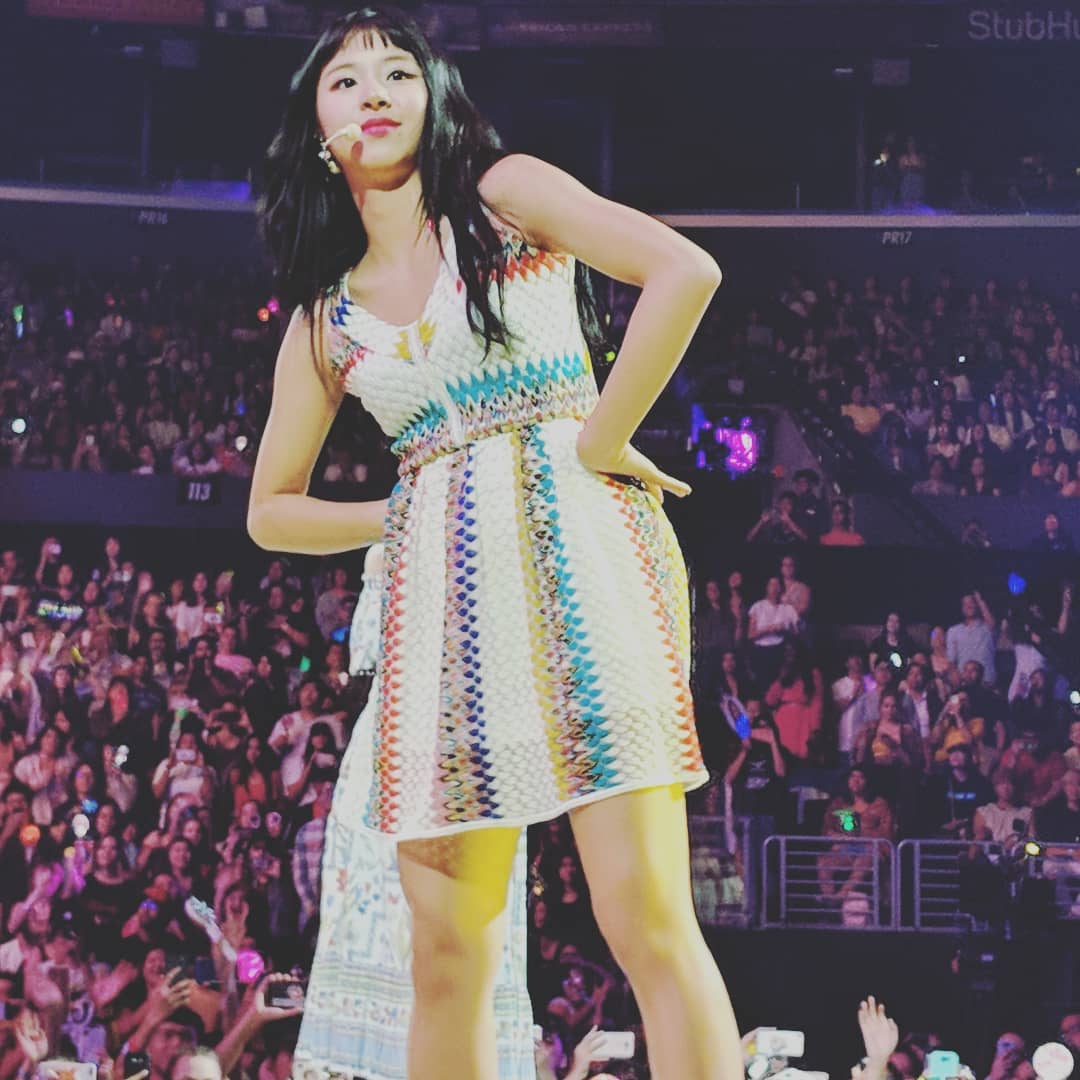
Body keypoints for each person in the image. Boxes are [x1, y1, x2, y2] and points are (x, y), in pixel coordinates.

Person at [248, 8, 737, 1080]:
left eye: (396, 72)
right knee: (446, 954)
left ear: (432, 99)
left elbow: (683, 271)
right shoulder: (325, 319)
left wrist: (600, 435)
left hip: (585, 569)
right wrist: (407, 515)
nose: (374, 93)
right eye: (344, 81)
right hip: (441, 619)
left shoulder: (505, 195)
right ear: (318, 130)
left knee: (648, 919)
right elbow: (270, 511)